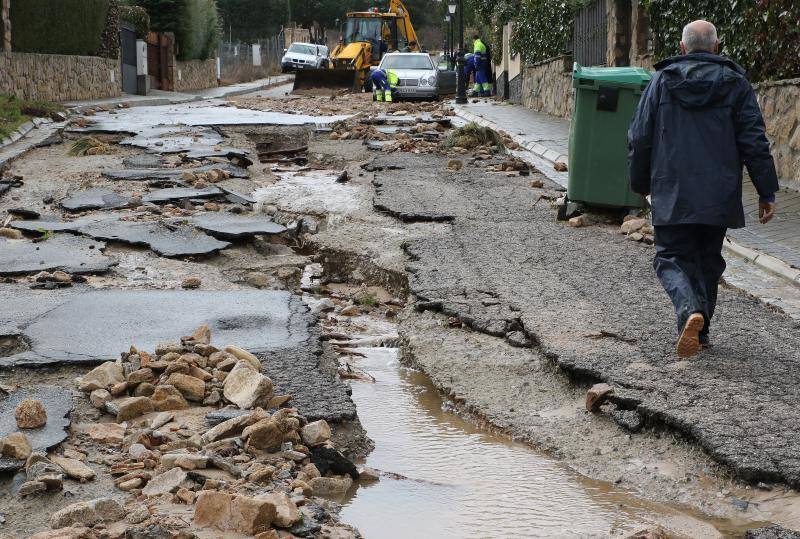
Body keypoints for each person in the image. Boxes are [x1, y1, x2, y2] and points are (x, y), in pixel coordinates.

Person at [628, 20, 778, 358]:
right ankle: (702, 331)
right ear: (717, 46)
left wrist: (639, 183)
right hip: (718, 192)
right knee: (707, 261)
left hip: (672, 188)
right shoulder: (736, 83)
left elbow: (640, 137)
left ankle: (689, 313)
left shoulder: (662, 81)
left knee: (670, 257)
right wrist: (766, 191)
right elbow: (754, 141)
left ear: (682, 48)